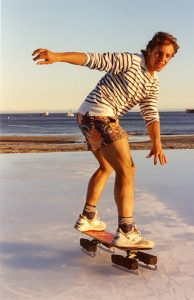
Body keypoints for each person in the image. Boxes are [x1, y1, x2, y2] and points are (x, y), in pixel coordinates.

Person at [32, 32, 180, 249]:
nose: (163, 59)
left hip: (87, 116)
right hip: (99, 114)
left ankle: (88, 217)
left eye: (168, 57)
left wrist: (156, 141)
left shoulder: (153, 83)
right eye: (160, 53)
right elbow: (94, 59)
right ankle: (126, 230)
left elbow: (150, 113)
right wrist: (58, 56)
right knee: (127, 169)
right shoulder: (130, 61)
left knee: (107, 166)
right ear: (150, 49)